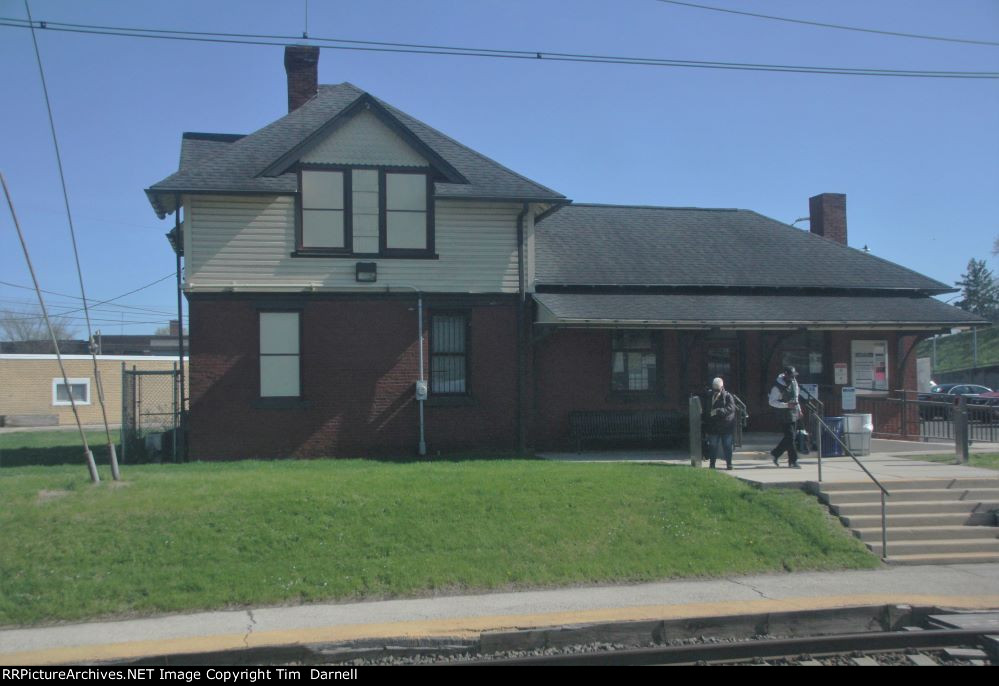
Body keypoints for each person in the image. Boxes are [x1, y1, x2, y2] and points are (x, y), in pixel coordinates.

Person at [769, 366, 801, 468]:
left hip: (793, 412)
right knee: (790, 437)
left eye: (793, 376)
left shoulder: (794, 382)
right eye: (790, 376)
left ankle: (776, 453)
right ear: (785, 375)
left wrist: (799, 410)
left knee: (790, 437)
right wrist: (786, 405)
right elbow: (772, 402)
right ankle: (793, 461)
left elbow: (795, 397)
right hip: (783, 414)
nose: (792, 378)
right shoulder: (777, 386)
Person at [705, 377, 737, 470]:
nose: (716, 390)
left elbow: (731, 408)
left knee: (727, 446)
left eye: (717, 389)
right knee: (713, 446)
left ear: (722, 387)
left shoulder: (728, 396)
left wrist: (719, 411)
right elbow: (707, 408)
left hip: (726, 426)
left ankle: (729, 464)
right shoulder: (709, 395)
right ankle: (712, 464)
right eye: (714, 388)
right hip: (713, 426)